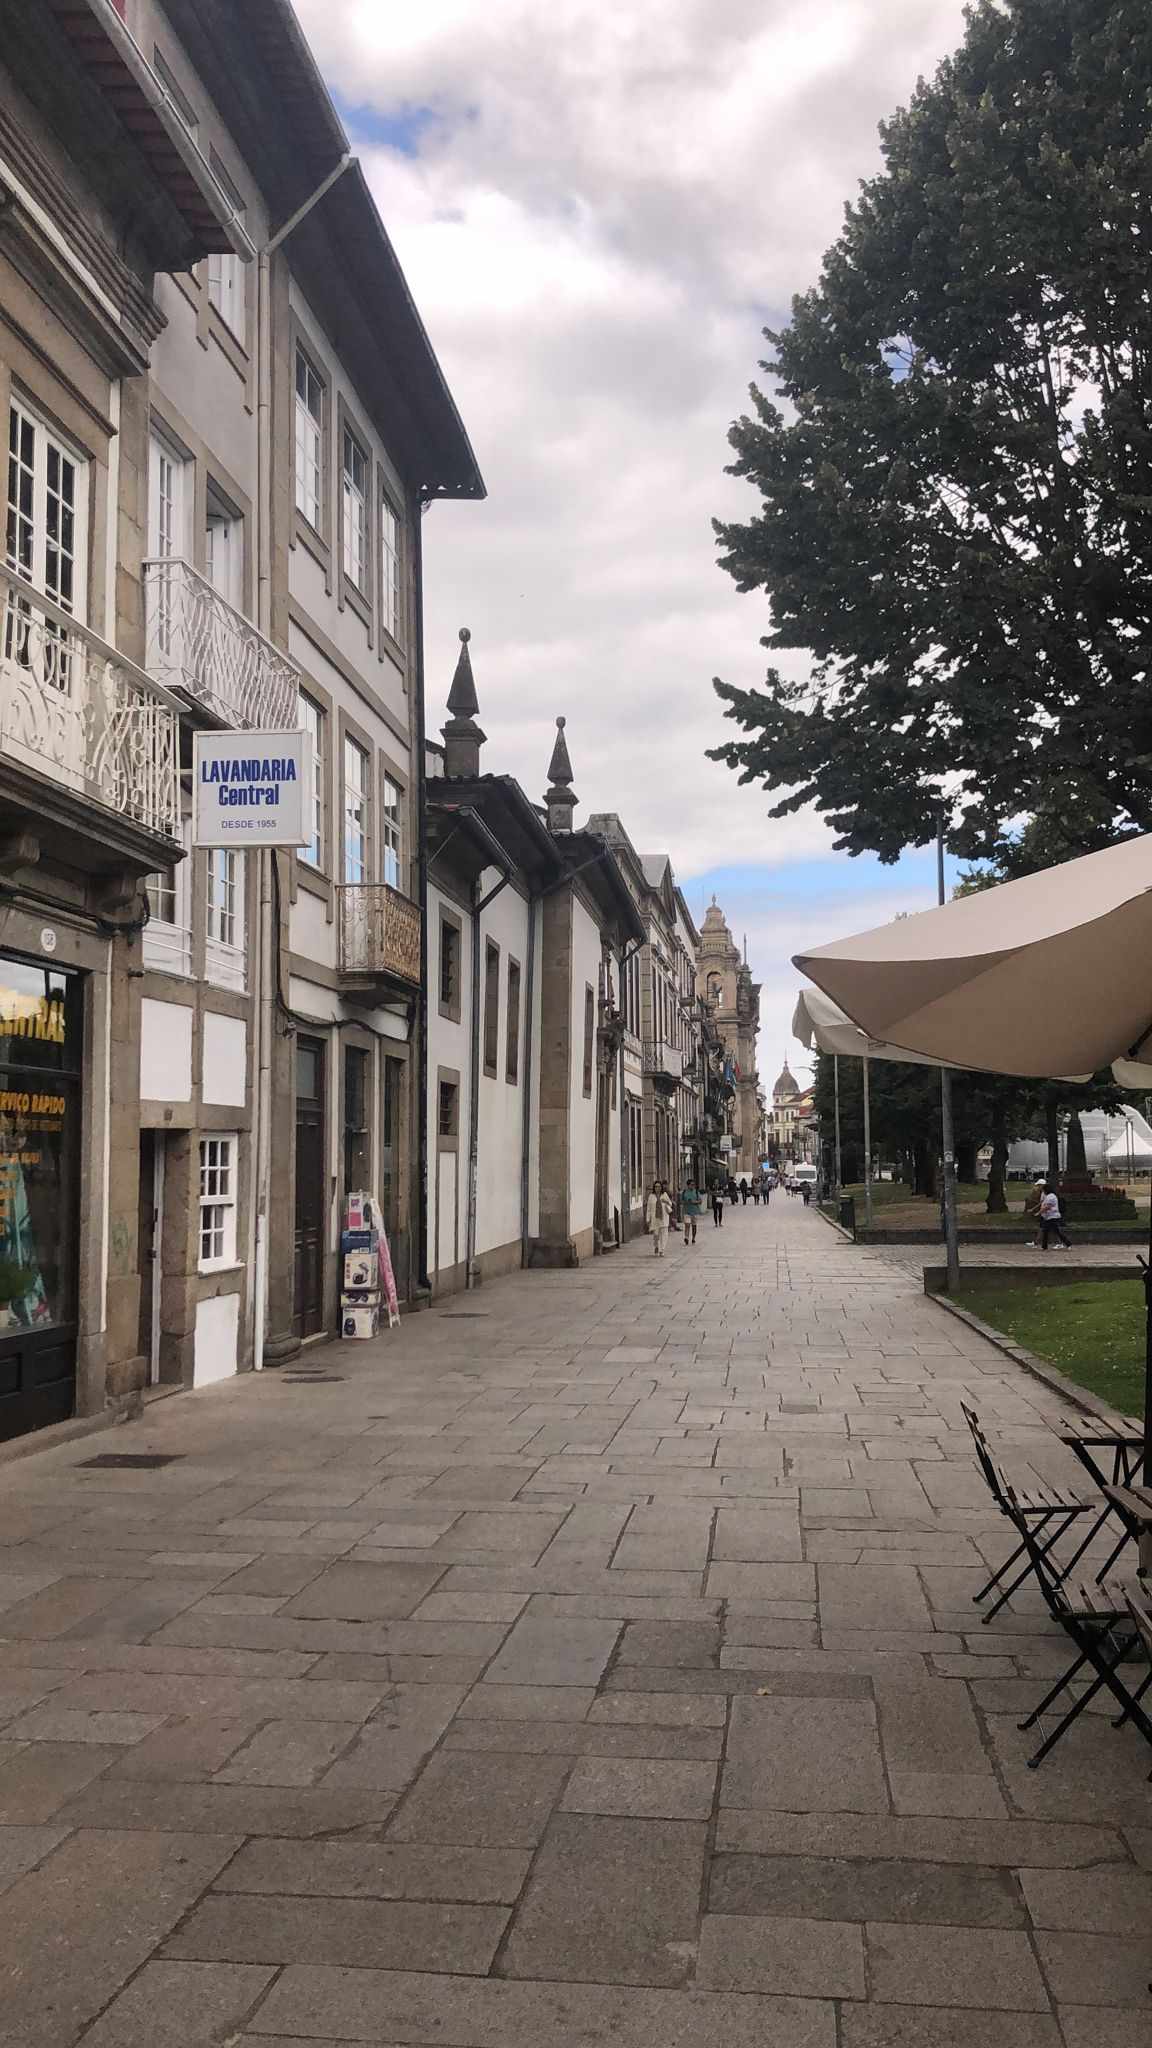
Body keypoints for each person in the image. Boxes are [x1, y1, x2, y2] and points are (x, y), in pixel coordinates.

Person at [1038, 1181, 1071, 1250]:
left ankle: (1068, 1243)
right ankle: (1044, 1246)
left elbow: (1047, 1207)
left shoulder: (1051, 1197)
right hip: (1048, 1217)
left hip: (1053, 1217)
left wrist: (1039, 1212)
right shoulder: (1048, 1196)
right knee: (1045, 1231)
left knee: (1057, 1232)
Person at [645, 1179, 673, 1257]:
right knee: (656, 1235)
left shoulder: (665, 1195)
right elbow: (648, 1208)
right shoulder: (651, 1196)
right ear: (654, 1187)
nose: (658, 1188)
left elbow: (670, 1204)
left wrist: (666, 1201)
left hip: (664, 1217)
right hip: (655, 1218)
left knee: (664, 1235)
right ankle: (656, 1246)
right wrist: (648, 1219)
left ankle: (662, 1250)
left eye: (659, 1186)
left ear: (661, 1187)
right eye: (656, 1186)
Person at [680, 1179, 702, 1245]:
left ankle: (693, 1238)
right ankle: (686, 1237)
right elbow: (681, 1201)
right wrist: (686, 1202)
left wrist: (694, 1202)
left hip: (695, 1212)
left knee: (694, 1226)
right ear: (688, 1185)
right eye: (691, 1185)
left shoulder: (696, 1192)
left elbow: (700, 1201)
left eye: (693, 1185)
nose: (693, 1186)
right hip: (686, 1211)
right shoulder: (684, 1192)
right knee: (687, 1224)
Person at [1024, 1178, 1045, 1248]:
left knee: (1054, 1229)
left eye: (1039, 1185)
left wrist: (1036, 1211)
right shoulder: (1042, 1193)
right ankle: (1036, 1242)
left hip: (1049, 1214)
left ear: (1042, 1185)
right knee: (1042, 1228)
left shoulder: (1045, 1193)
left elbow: (1042, 1203)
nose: (1037, 1187)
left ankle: (1062, 1243)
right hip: (1046, 1213)